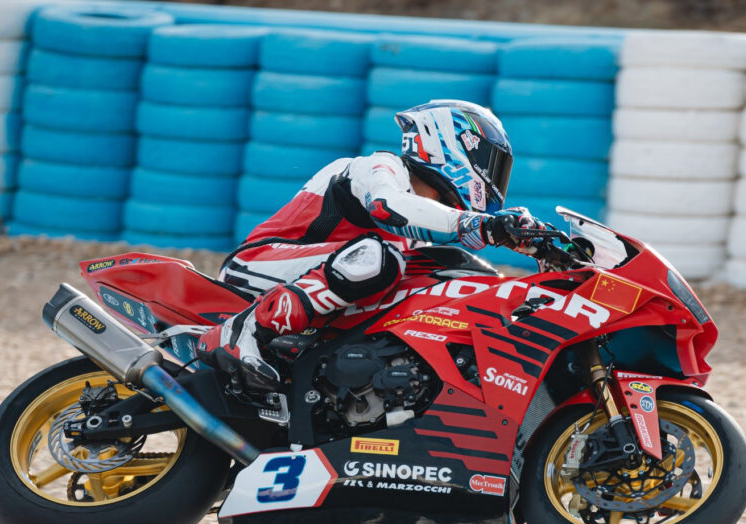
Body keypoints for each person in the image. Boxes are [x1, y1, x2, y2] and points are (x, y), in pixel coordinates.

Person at [197, 99, 546, 391]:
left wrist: (538, 244)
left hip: (317, 284)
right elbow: (388, 207)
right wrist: (484, 225)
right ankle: (242, 331)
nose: (494, 177)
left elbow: (441, 234)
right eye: (491, 164)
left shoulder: (426, 223)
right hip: (258, 265)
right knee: (379, 258)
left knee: (453, 272)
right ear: (452, 143)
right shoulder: (379, 167)